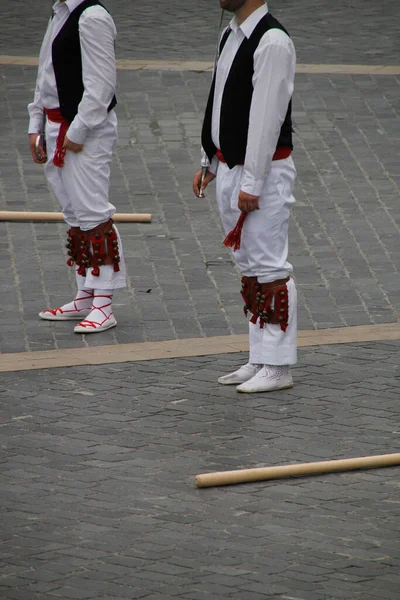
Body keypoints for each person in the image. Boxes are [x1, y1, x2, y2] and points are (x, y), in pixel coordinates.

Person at [193, 0, 297, 393]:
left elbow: (266, 119)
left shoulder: (271, 41)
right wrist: (209, 159)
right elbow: (218, 103)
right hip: (231, 166)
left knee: (269, 265)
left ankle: (279, 365)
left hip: (264, 172)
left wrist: (252, 181)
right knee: (249, 263)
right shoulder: (230, 34)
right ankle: (260, 356)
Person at [28, 0, 126, 334]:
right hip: (59, 125)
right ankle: (86, 292)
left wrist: (79, 128)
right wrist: (36, 122)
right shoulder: (60, 12)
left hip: (84, 129)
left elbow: (101, 84)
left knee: (93, 213)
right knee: (74, 213)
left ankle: (104, 302)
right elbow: (46, 72)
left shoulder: (92, 16)